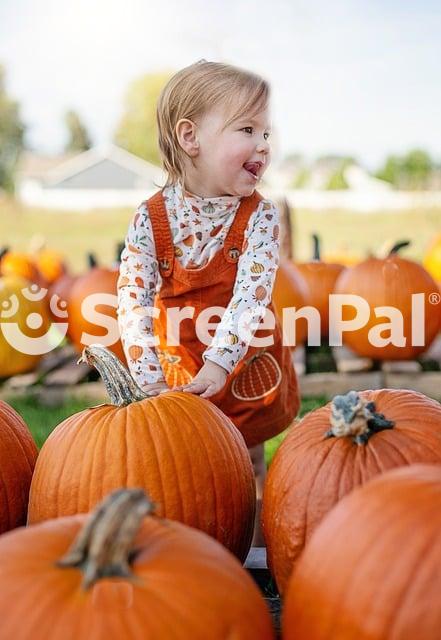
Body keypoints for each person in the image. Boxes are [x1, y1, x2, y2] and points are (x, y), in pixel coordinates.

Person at [117, 60, 300, 545]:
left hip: (243, 359)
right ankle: (193, 545)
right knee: (186, 461)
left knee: (250, 457)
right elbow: (132, 299)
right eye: (247, 129)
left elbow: (249, 298)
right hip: (180, 360)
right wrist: (147, 376)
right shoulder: (151, 219)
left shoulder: (259, 217)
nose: (264, 144)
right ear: (190, 137)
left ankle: (253, 552)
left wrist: (221, 362)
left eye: (266, 131)